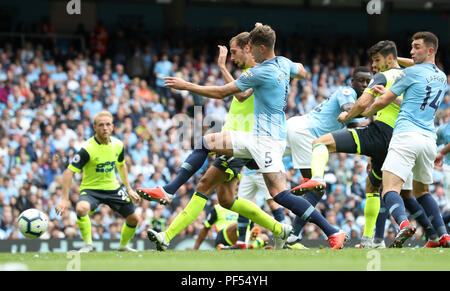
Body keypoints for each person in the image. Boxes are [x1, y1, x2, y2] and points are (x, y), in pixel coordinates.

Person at [141, 23, 348, 251]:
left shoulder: (259, 72)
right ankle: (169, 190)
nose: (248, 52)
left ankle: (332, 231)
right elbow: (303, 71)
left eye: (250, 48)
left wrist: (186, 85)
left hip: (267, 142)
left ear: (259, 48)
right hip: (258, 137)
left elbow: (223, 93)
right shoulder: (284, 63)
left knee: (279, 194)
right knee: (206, 143)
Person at [139, 30, 287, 249]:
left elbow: (237, 94)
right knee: (227, 200)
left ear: (248, 48)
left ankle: (168, 215)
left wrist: (195, 81)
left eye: (234, 52)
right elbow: (237, 91)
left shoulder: (259, 71)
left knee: (204, 182)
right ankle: (279, 229)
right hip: (236, 139)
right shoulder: (250, 72)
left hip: (243, 140)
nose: (232, 57)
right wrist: (223, 67)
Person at [292, 40, 439, 248]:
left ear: (390, 59)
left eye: (377, 60)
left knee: (320, 143)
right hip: (397, 142)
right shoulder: (412, 76)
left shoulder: (383, 76)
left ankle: (317, 179)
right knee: (374, 186)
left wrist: (347, 116)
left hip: (380, 134)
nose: (374, 66)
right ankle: (370, 240)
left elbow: (362, 103)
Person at [362, 31, 449, 248]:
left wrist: (362, 113)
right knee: (422, 192)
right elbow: (411, 101)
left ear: (430, 50)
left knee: (389, 189)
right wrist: (394, 58)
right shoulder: (441, 77)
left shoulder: (410, 74)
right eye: (411, 47)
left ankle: (403, 224)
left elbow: (384, 101)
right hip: (428, 141)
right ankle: (443, 235)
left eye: (417, 47)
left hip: (406, 136)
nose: (411, 51)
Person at [283, 66, 372, 245]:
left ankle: (236, 157)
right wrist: (376, 109)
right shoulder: (347, 92)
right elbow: (349, 109)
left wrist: (371, 147)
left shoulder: (354, 99)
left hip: (298, 128)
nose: (364, 84)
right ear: (352, 81)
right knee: (317, 189)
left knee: (257, 160)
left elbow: (355, 129)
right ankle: (294, 232)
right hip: (306, 134)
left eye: (367, 82)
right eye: (360, 81)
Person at [55, 110, 142, 252]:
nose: (105, 128)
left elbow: (121, 165)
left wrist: (129, 188)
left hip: (113, 188)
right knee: (81, 208)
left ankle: (123, 246)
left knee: (134, 219)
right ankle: (88, 244)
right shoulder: (87, 149)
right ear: (94, 127)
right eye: (101, 125)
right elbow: (69, 172)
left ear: (113, 126)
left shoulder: (118, 145)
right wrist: (64, 199)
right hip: (91, 190)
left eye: (108, 124)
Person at [193, 200, 269, 250]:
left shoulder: (245, 209)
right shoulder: (218, 208)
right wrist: (196, 248)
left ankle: (248, 246)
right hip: (224, 237)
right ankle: (250, 246)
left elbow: (252, 230)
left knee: (265, 237)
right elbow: (206, 228)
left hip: (244, 236)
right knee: (238, 224)